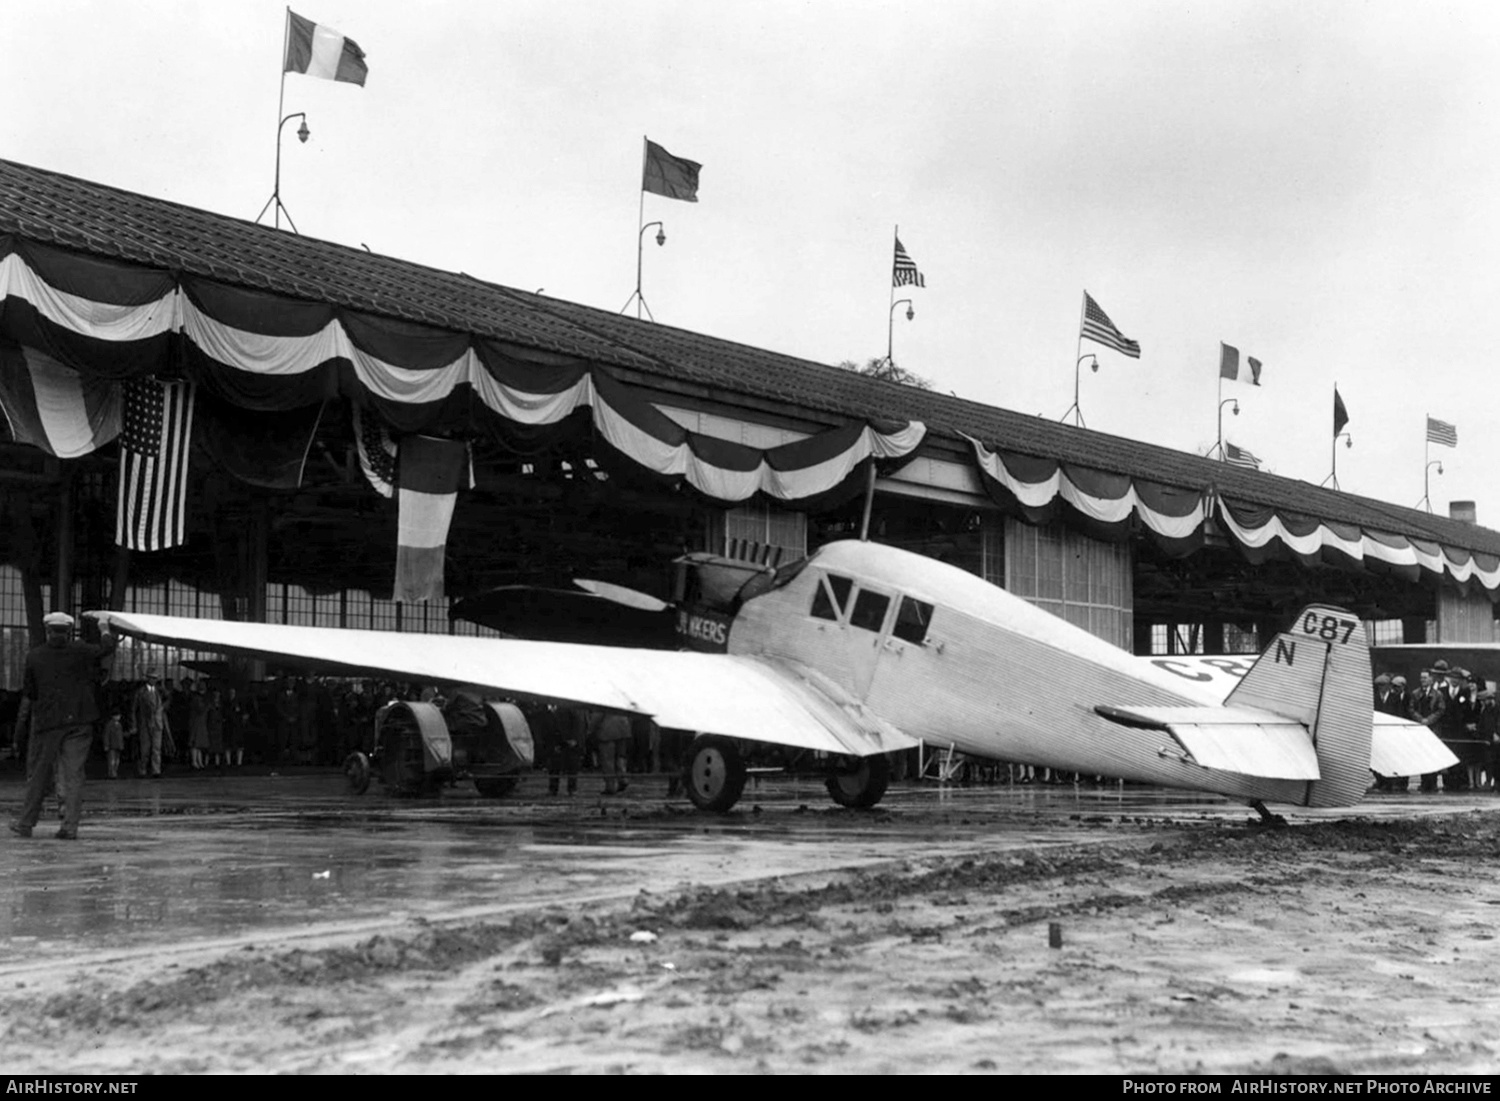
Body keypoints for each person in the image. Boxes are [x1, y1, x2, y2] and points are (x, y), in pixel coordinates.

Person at [9, 612, 117, 841]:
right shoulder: (81, 650)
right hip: (79, 721)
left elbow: (30, 691)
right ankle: (70, 827)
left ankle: (26, 824)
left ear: (48, 630)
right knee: (74, 775)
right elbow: (107, 648)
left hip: (49, 723)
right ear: (69, 631)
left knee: (39, 773)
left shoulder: (35, 656)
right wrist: (104, 627)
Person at [1409, 669, 1447, 793]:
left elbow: (1441, 710)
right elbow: (1411, 708)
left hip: (1433, 728)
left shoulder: (1438, 694)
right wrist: (1420, 719)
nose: (1423, 680)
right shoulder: (1415, 693)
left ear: (1431, 679)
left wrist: (1429, 720)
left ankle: (1433, 782)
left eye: (1425, 678)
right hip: (1420, 728)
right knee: (1421, 755)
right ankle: (1424, 782)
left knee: (1433, 755)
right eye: (1421, 678)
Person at [133, 672, 167, 778]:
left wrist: (163, 687)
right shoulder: (140, 692)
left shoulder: (159, 691)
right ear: (147, 678)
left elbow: (167, 697)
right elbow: (133, 709)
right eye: (152, 678)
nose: (154, 680)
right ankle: (142, 769)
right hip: (145, 723)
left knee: (156, 748)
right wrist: (134, 724)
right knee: (145, 749)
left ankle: (156, 770)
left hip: (157, 723)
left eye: (155, 678)